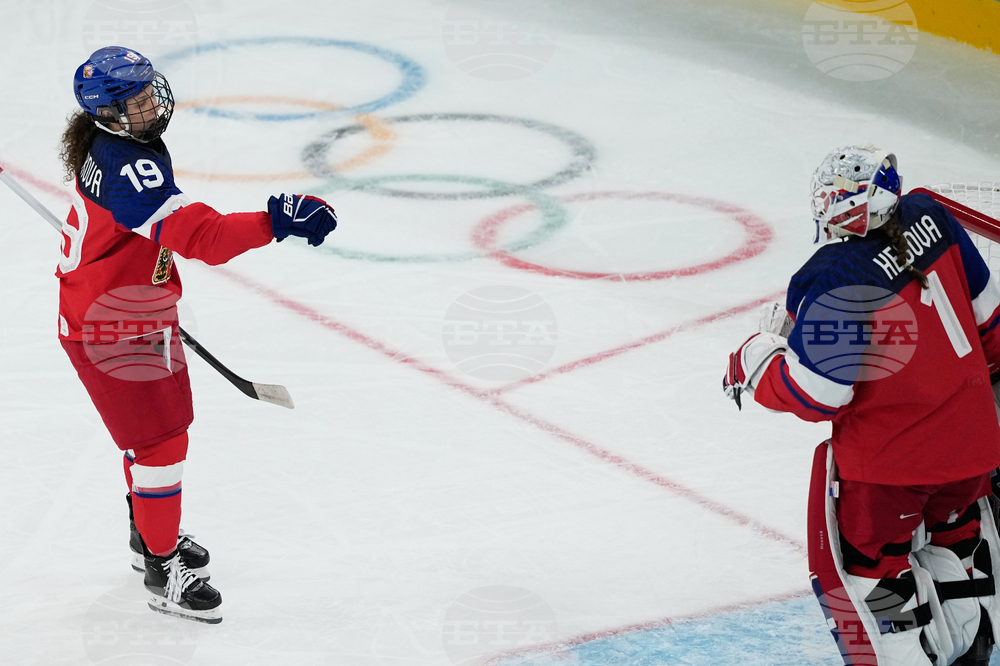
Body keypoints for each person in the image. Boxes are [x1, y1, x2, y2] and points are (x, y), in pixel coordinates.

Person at [57, 46, 338, 624]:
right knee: (162, 444)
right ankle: (163, 569)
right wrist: (274, 220)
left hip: (126, 310)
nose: (148, 103)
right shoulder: (122, 164)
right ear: (105, 114)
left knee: (154, 437)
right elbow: (201, 238)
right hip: (113, 327)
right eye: (131, 100)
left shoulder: (117, 145)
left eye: (146, 90)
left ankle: (148, 535)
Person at [722, 145, 1000, 665]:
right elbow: (994, 327)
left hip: (889, 467)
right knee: (956, 539)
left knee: (878, 568)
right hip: (975, 444)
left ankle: (907, 650)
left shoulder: (833, 276)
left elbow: (817, 394)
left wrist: (756, 359)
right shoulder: (933, 215)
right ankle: (973, 646)